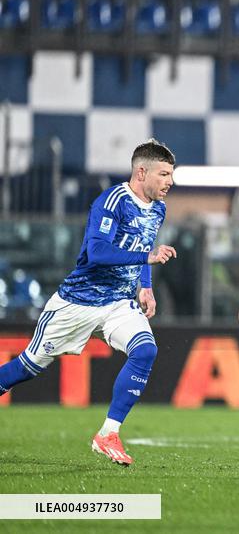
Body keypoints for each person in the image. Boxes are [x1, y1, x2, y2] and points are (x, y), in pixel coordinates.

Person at [0, 140, 177, 466]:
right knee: (26, 368)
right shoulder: (111, 202)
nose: (170, 181)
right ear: (142, 172)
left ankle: (108, 433)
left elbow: (144, 246)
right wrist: (147, 257)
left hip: (119, 304)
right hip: (78, 303)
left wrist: (145, 287)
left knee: (146, 350)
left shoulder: (159, 209)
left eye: (171, 174)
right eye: (164, 174)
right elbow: (97, 252)